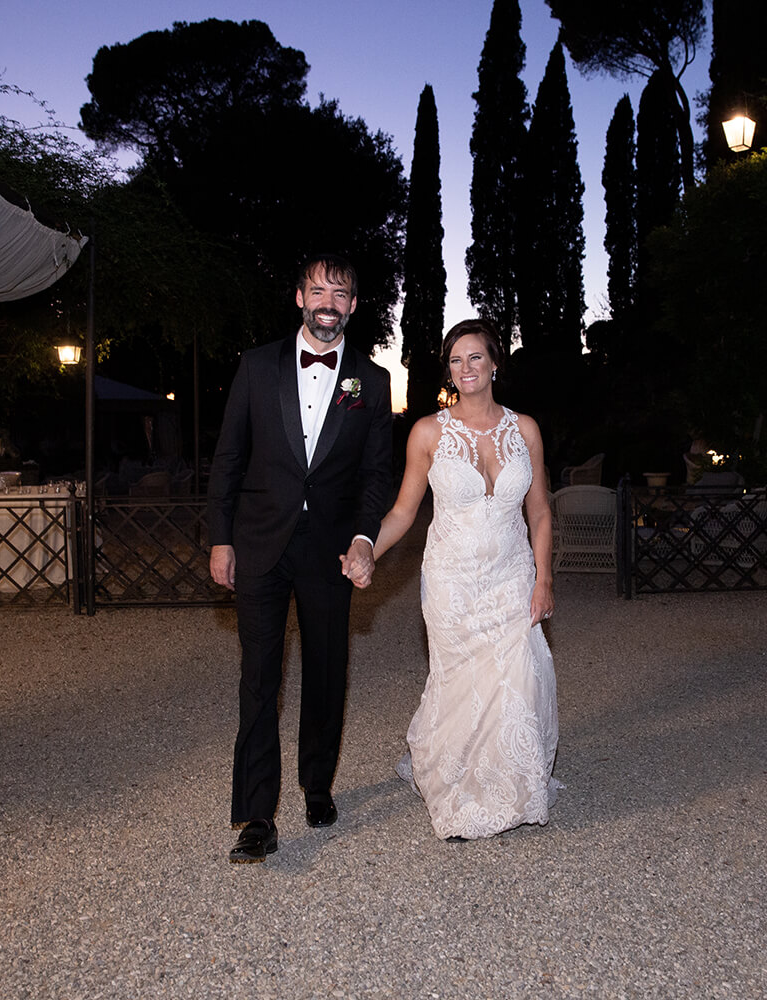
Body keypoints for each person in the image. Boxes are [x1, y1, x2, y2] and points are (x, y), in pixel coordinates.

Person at [207, 254, 394, 864]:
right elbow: (229, 458)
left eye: (340, 294)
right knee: (259, 678)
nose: (328, 302)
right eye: (318, 290)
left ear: (353, 306)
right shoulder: (257, 367)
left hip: (330, 552)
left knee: (325, 672)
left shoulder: (372, 381)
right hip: (260, 544)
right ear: (298, 298)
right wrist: (221, 537)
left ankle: (317, 784)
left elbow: (374, 476)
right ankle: (257, 814)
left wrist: (365, 537)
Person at [345, 318, 559, 840]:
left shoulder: (524, 429)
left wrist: (544, 578)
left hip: (512, 574)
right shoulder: (427, 432)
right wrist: (367, 545)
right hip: (452, 580)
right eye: (456, 360)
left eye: (475, 357)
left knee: (519, 677)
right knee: (462, 683)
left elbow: (541, 512)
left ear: (494, 363)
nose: (465, 368)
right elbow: (402, 511)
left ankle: (513, 786)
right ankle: (460, 788)